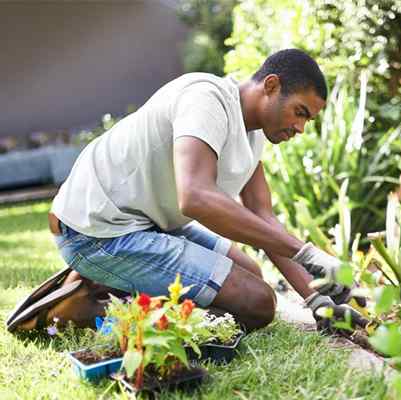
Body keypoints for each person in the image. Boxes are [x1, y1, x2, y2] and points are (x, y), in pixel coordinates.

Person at [48, 49, 368, 333]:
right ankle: (101, 297)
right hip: (96, 231)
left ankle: (119, 282)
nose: (300, 128)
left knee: (250, 271)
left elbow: (262, 216)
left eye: (308, 120)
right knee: (257, 303)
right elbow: (196, 197)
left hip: (147, 224)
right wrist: (308, 253)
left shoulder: (254, 134)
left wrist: (317, 301)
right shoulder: (206, 99)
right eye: (300, 112)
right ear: (271, 86)